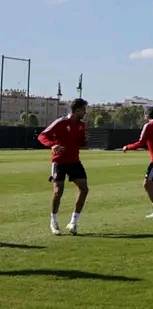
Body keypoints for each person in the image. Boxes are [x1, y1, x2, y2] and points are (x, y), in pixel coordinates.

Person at [39, 98, 90, 236]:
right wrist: (52, 145)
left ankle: (73, 222)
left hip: (74, 161)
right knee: (58, 191)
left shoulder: (82, 125)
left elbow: (81, 143)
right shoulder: (60, 122)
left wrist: (85, 140)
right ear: (77, 110)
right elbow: (42, 136)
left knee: (84, 189)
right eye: (84, 110)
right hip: (59, 162)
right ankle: (54, 220)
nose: (85, 112)